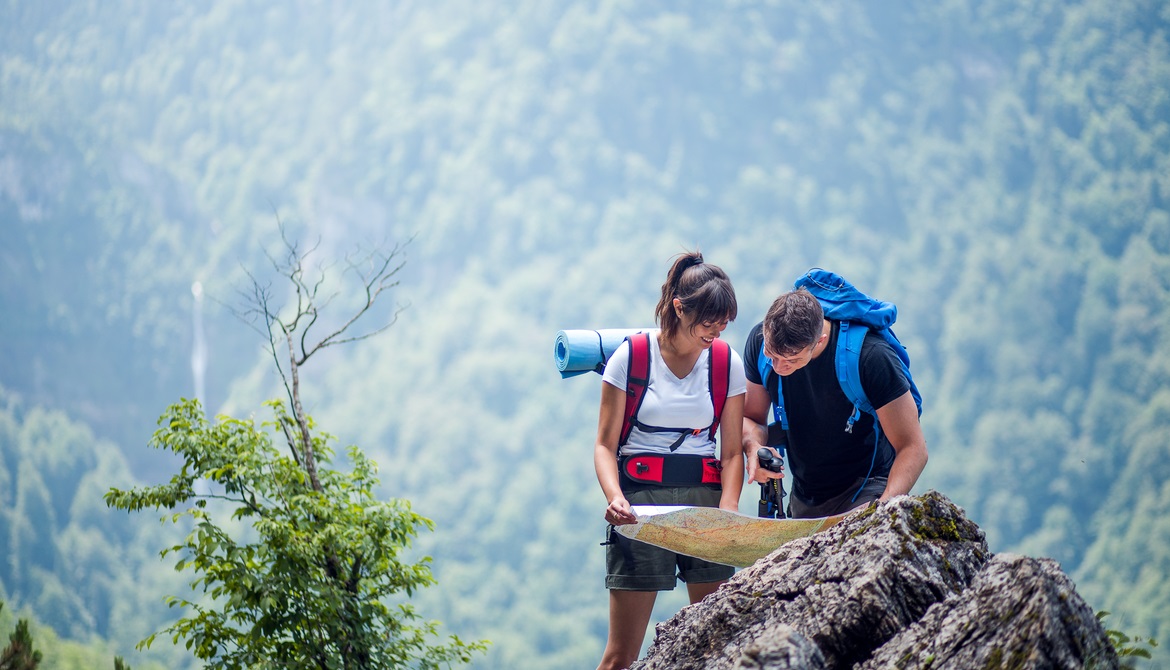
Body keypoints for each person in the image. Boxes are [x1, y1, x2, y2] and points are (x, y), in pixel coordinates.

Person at [593, 252, 746, 670]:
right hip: (640, 507)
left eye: (724, 323)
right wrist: (615, 498)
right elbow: (605, 445)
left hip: (705, 504)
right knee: (621, 654)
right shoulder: (631, 359)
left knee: (717, 641)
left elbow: (731, 451)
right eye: (709, 322)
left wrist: (729, 508)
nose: (717, 331)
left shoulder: (725, 362)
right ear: (680, 308)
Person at [742, 287, 927, 519]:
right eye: (772, 354)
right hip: (805, 495)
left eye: (791, 360)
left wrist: (880, 513)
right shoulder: (759, 341)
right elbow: (751, 419)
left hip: (867, 488)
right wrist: (754, 449)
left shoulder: (870, 357)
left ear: (820, 340)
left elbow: (913, 448)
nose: (778, 367)